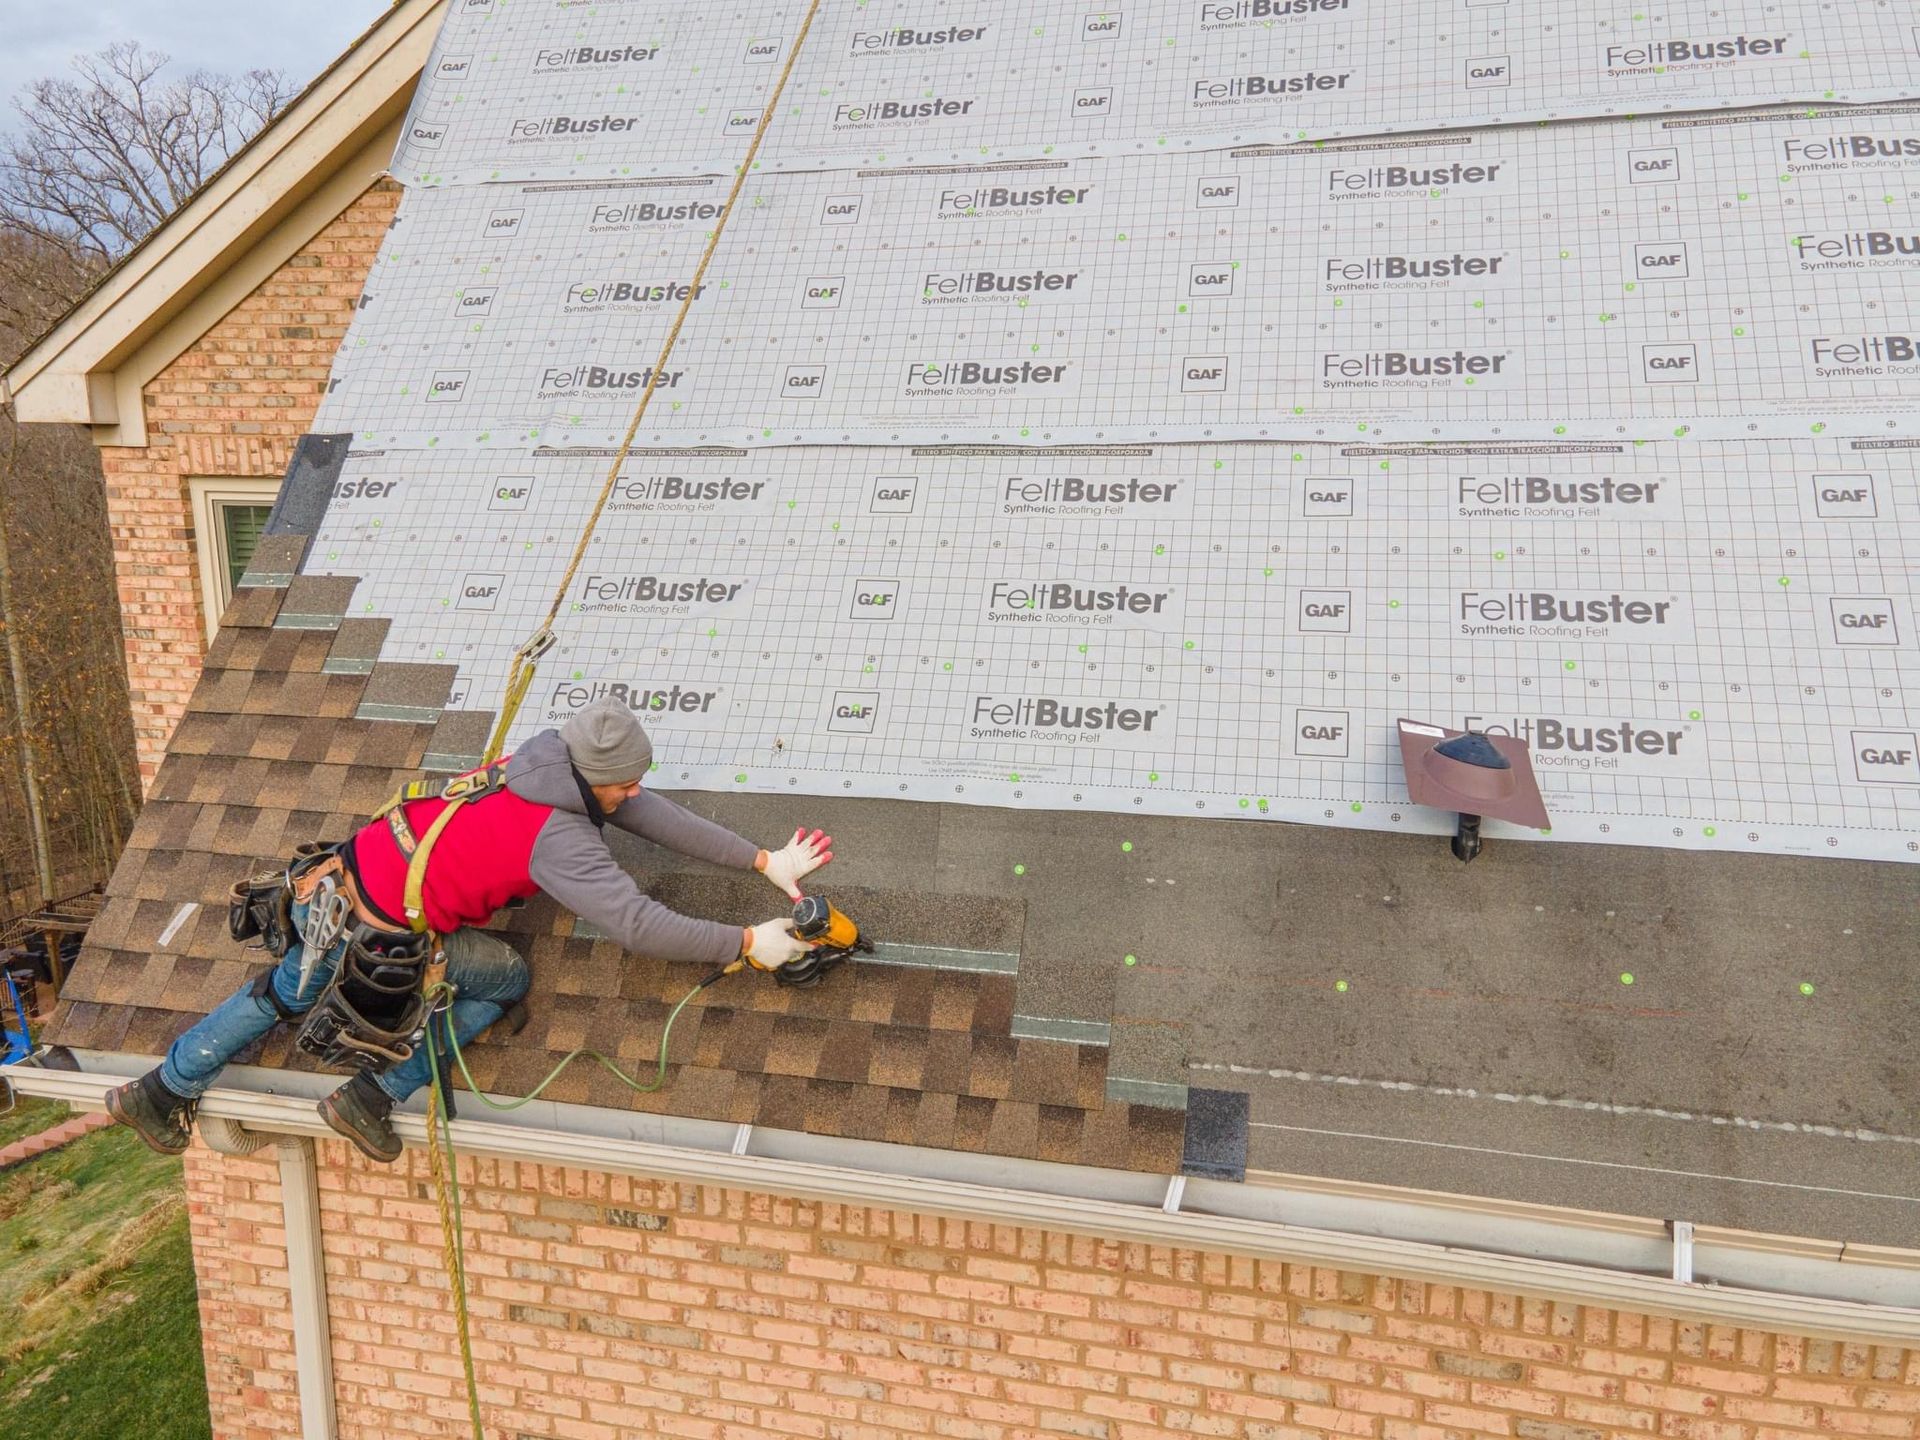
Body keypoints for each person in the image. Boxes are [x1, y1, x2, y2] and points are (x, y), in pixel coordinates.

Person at [106, 697, 829, 1162]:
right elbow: (639, 925)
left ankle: (169, 1089)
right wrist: (745, 942)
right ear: (592, 774)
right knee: (502, 978)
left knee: (281, 995)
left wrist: (761, 859)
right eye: (626, 781)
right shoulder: (558, 837)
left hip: (324, 881)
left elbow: (643, 810)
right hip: (365, 935)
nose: (635, 791)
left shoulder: (537, 760)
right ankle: (363, 1094)